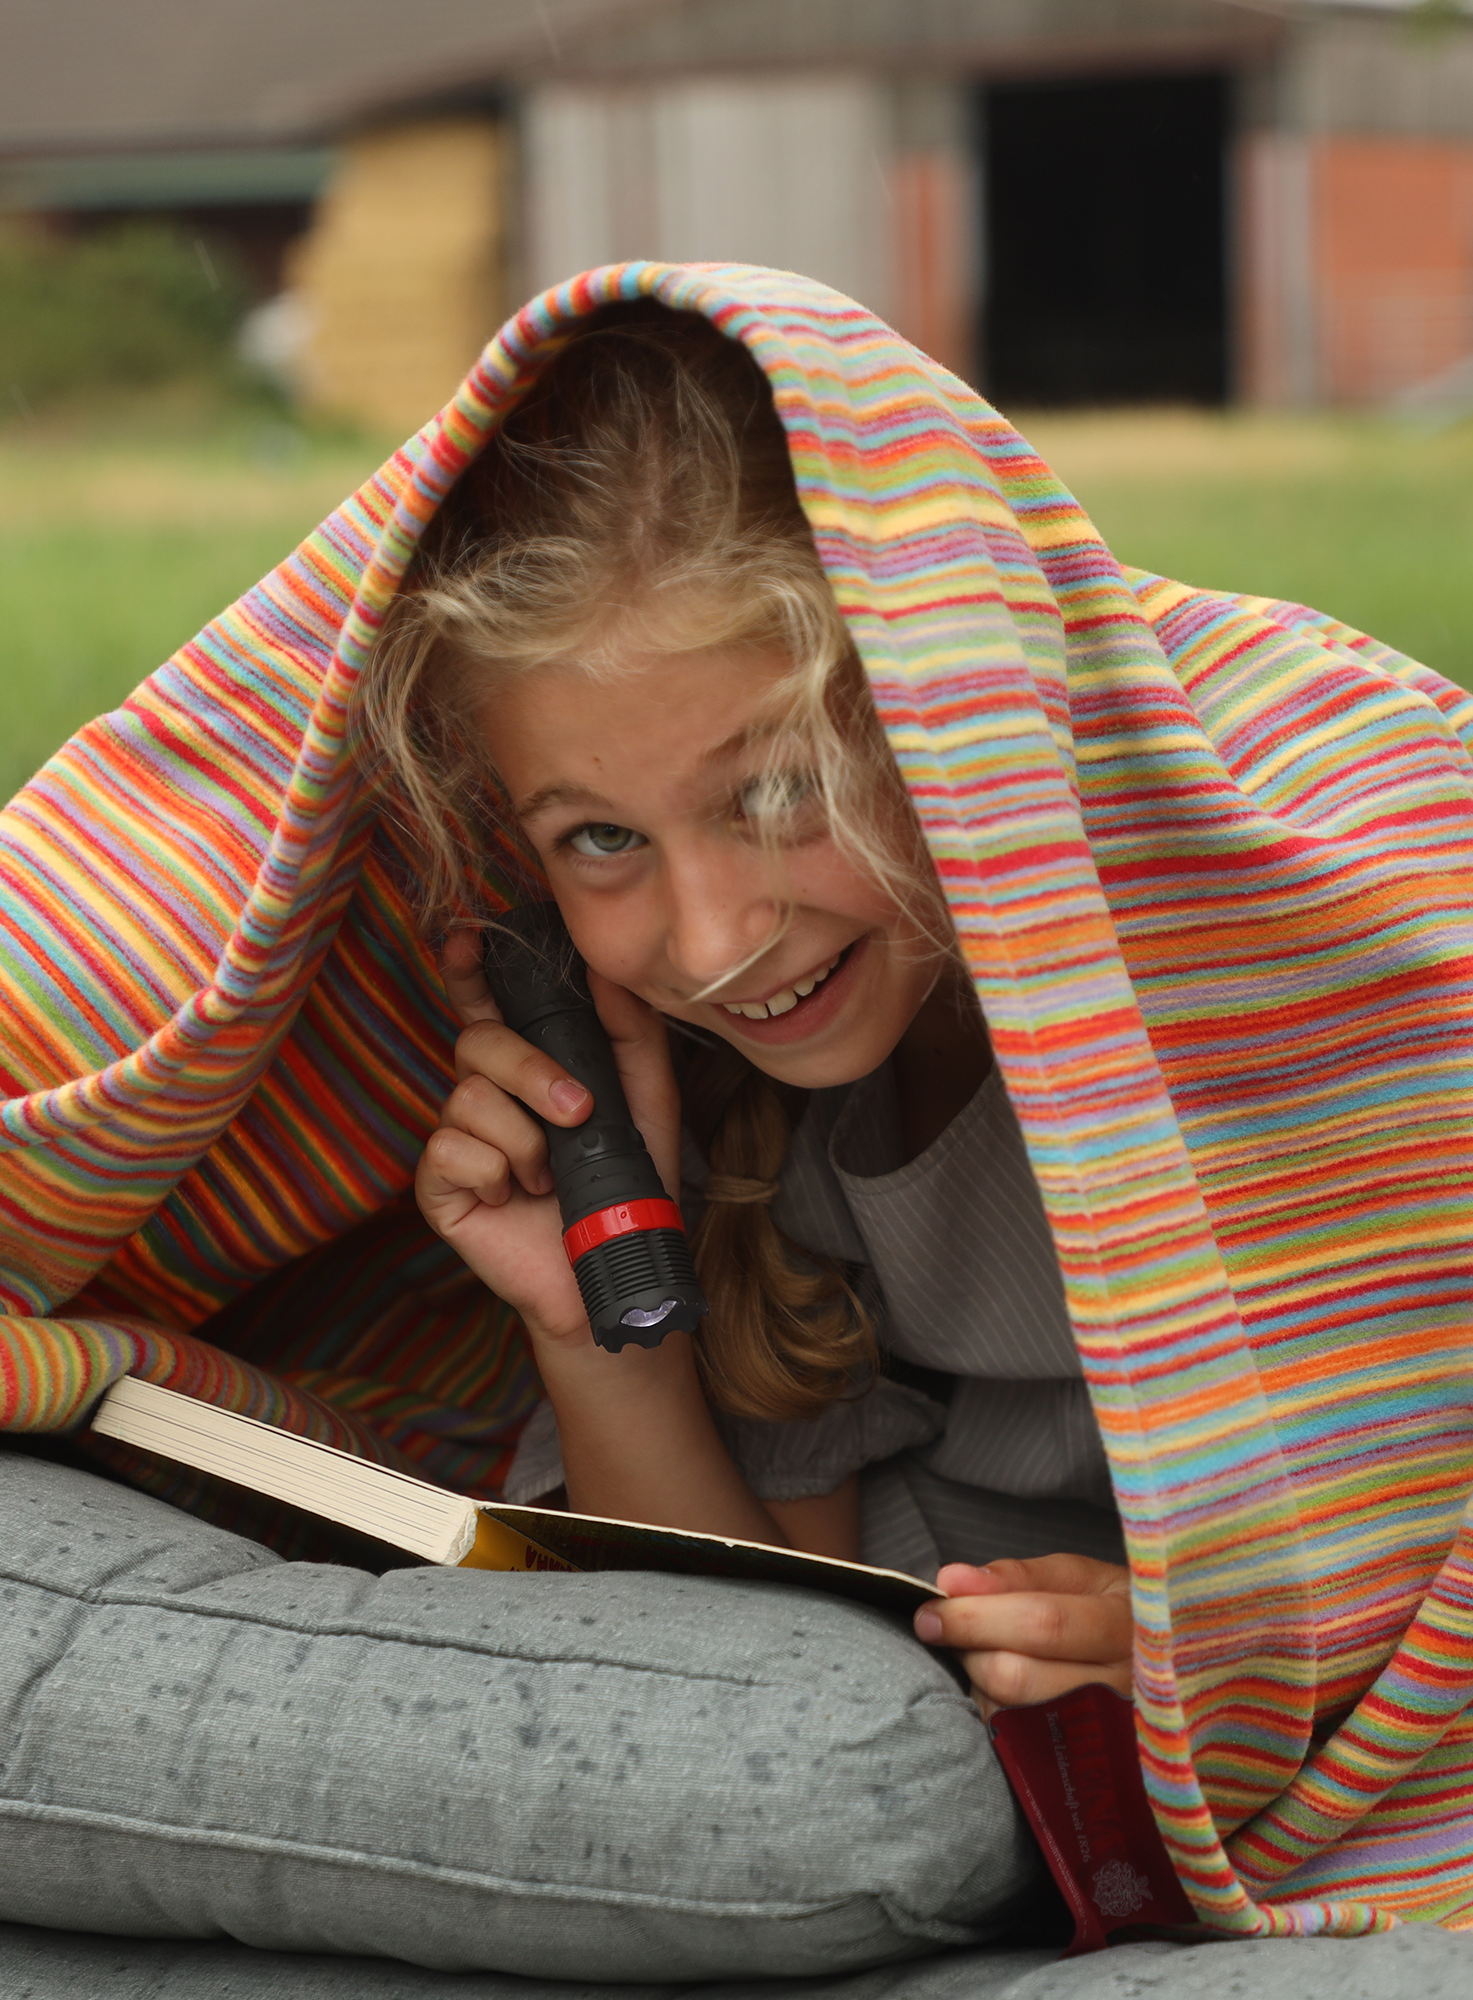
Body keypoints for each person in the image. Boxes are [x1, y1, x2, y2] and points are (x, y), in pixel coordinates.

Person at [358, 303, 1131, 1714]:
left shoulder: (1234, 995)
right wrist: (601, 1333)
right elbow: (737, 1672)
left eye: (779, 793)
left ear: (955, 713)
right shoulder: (749, 1129)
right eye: (600, 838)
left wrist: (1220, 1647)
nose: (713, 942)